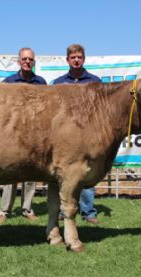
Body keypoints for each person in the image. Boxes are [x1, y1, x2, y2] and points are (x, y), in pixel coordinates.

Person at [0, 47, 47, 224]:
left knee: (31, 174)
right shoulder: (9, 82)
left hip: (34, 136)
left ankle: (27, 208)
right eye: (24, 59)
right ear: (19, 61)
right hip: (13, 135)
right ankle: (4, 211)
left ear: (34, 62)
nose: (27, 62)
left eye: (30, 59)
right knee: (11, 173)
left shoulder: (41, 83)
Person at [53, 44, 101, 224]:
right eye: (73, 57)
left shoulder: (95, 82)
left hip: (86, 135)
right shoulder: (58, 83)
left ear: (84, 59)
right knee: (60, 174)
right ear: (67, 60)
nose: (76, 60)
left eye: (79, 57)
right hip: (63, 137)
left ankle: (88, 212)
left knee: (85, 172)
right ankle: (61, 210)